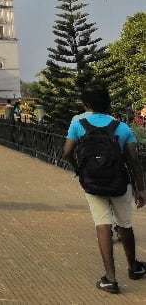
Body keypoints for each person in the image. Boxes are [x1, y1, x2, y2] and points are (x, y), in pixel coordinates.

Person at [63, 86, 146, 294]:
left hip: (92, 184)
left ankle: (110, 279)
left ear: (87, 105)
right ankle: (134, 268)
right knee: (125, 225)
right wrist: (141, 189)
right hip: (119, 184)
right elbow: (134, 162)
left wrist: (79, 170)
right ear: (108, 104)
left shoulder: (78, 123)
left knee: (102, 225)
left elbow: (66, 153)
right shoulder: (122, 128)